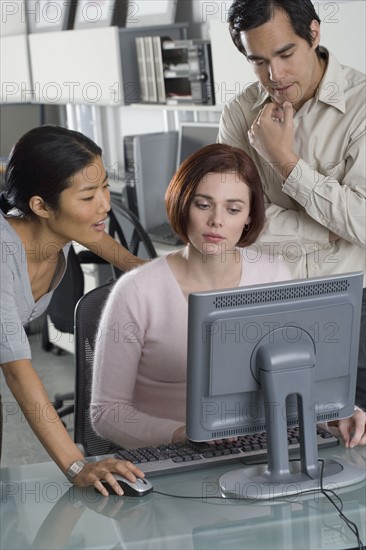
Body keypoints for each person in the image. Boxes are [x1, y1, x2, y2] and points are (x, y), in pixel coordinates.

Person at [218, 0, 366, 443]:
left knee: (354, 451)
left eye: (286, 54)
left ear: (314, 35)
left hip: (353, 307)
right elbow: (232, 221)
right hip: (269, 306)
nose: (274, 76)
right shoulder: (240, 113)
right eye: (258, 61)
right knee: (276, 447)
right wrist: (330, 230)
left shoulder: (362, 107)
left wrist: (284, 162)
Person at [90, 143, 292, 450]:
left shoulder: (275, 276)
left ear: (250, 216)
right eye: (203, 205)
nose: (217, 221)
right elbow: (106, 413)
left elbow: (296, 381)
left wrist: (339, 414)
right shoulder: (136, 291)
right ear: (183, 205)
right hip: (170, 457)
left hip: (258, 450)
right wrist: (184, 433)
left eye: (233, 209)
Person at [0, 125, 145, 496]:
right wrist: (78, 466)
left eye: (104, 188)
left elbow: (101, 240)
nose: (105, 205)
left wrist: (154, 276)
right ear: (41, 206)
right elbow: (17, 372)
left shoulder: (57, 230)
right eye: (88, 196)